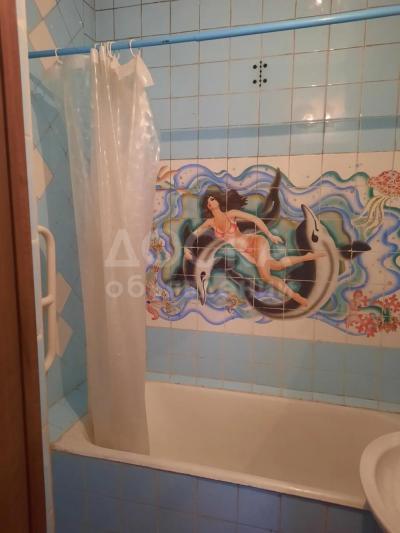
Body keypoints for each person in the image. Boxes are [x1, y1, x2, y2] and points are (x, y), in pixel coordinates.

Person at [184, 187, 325, 307]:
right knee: (277, 266)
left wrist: (270, 235)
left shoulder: (231, 214)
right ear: (208, 207)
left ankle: (295, 297)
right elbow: (193, 235)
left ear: (218, 201)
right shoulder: (210, 223)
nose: (210, 201)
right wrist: (186, 249)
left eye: (212, 199)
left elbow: (255, 219)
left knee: (266, 277)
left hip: (255, 243)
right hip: (248, 254)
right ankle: (306, 257)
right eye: (208, 201)